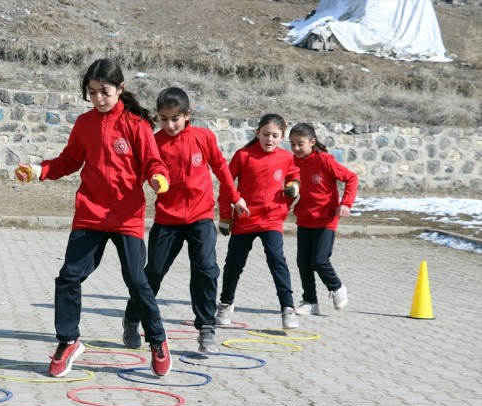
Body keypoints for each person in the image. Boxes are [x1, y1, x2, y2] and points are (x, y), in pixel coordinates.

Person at [14, 58, 172, 378]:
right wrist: (40, 170)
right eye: (92, 92)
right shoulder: (85, 124)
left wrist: (158, 178)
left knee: (135, 279)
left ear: (121, 89)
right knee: (69, 276)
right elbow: (69, 160)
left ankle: (157, 339)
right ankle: (68, 340)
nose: (99, 98)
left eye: (105, 92)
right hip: (90, 213)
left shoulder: (136, 125)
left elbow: (154, 162)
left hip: (126, 215)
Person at [121, 87, 246, 353]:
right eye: (164, 118)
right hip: (168, 219)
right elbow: (140, 175)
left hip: (200, 217)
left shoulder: (204, 137)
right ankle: (132, 319)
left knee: (205, 269)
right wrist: (151, 181)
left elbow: (222, 169)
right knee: (152, 273)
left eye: (175, 118)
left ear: (187, 115)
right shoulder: (154, 142)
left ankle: (205, 328)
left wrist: (235, 198)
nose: (170, 124)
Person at [216, 113, 301, 329]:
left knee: (276, 259)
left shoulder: (286, 157)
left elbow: (294, 175)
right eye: (265, 134)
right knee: (234, 264)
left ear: (281, 137)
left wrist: (294, 186)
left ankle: (287, 309)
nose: (269, 139)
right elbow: (227, 184)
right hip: (245, 219)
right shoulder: (243, 155)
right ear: (257, 134)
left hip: (271, 219)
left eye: (274, 135)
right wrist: (225, 215)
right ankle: (225, 304)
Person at [289, 122, 358, 315]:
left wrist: (346, 203)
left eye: (300, 144)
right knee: (303, 262)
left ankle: (337, 287)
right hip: (305, 218)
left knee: (319, 260)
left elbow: (351, 178)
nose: (296, 148)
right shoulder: (292, 161)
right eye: (292, 144)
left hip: (326, 218)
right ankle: (310, 301)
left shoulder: (325, 160)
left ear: (312, 142)